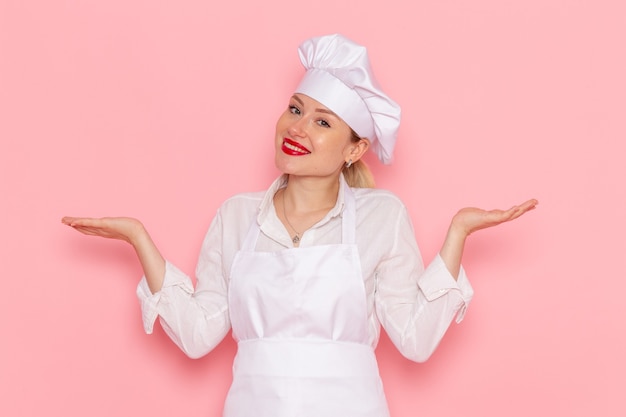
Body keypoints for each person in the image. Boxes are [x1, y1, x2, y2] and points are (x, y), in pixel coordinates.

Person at [62, 34, 537, 417]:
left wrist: (457, 233)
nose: (297, 128)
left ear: (354, 150)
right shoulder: (236, 215)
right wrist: (138, 238)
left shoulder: (382, 215)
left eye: (322, 122)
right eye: (295, 110)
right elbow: (197, 334)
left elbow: (414, 340)